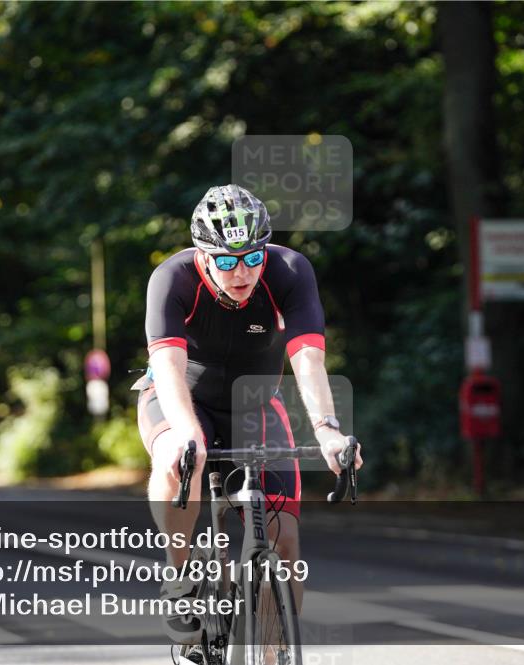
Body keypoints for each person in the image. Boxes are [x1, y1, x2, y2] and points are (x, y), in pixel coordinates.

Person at [137, 184, 363, 644]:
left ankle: (272, 652)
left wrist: (327, 429)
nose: (240, 272)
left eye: (251, 258)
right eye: (225, 261)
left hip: (256, 405)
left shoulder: (290, 271)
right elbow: (168, 366)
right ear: (202, 254)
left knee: (285, 543)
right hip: (180, 397)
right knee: (181, 457)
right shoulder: (172, 277)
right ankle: (179, 580)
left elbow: (307, 358)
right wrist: (186, 433)